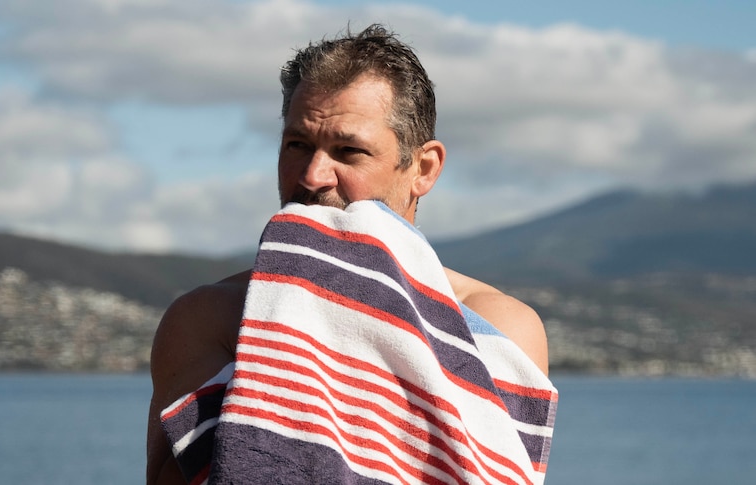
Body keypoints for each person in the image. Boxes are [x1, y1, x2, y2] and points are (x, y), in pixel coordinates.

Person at [146, 24, 550, 485]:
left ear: (423, 168)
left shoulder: (500, 327)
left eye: (348, 151)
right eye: (298, 145)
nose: (314, 175)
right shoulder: (210, 318)